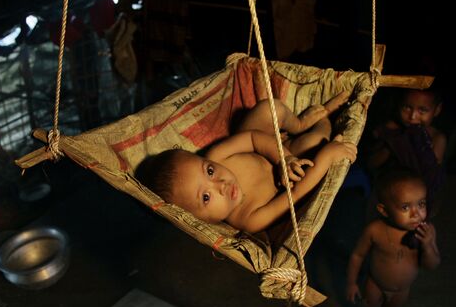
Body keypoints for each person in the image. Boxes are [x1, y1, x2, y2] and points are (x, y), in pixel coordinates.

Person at [137, 92, 357, 233]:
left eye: (210, 171)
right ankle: (326, 118)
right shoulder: (248, 219)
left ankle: (299, 124)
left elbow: (253, 138)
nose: (221, 184)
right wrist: (325, 156)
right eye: (206, 197)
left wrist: (284, 158)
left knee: (270, 108)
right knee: (316, 141)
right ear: (200, 222)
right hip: (289, 173)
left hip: (271, 147)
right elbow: (297, 194)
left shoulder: (216, 155)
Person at [346, 168, 441, 307]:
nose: (416, 214)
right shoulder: (375, 230)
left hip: (402, 290)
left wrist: (428, 246)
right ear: (384, 210)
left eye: (421, 204)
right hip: (375, 284)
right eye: (405, 207)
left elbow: (431, 265)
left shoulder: (426, 232)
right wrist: (351, 283)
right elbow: (357, 255)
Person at [366, 87, 446, 215]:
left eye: (422, 110)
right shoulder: (391, 130)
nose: (412, 116)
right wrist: (391, 144)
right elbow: (371, 164)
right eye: (407, 108)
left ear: (437, 110)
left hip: (416, 197)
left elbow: (431, 176)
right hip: (389, 190)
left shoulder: (437, 138)